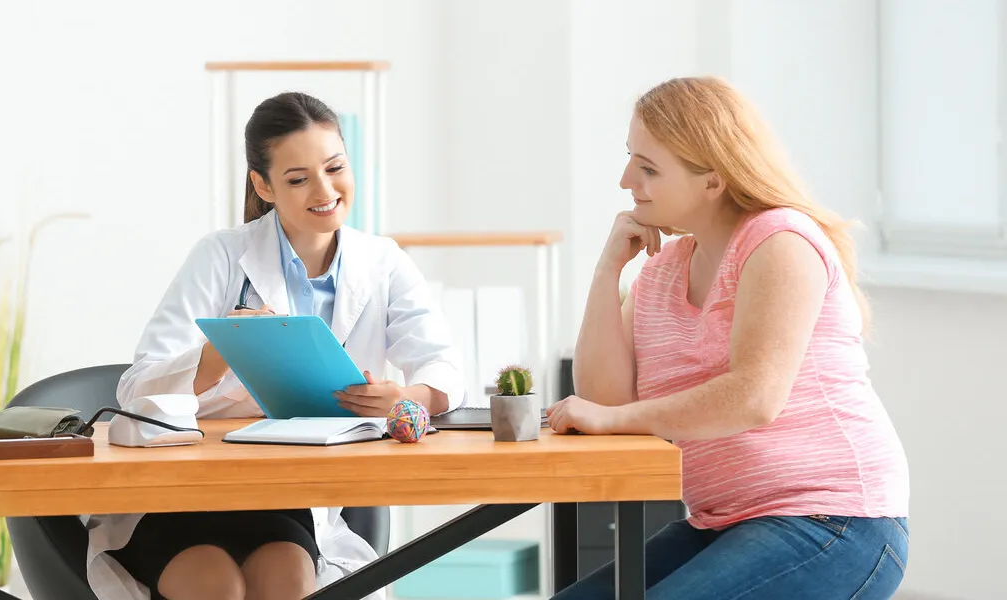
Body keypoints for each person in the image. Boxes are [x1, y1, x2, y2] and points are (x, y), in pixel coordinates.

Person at [84, 91, 465, 600]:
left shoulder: (383, 262)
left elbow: (444, 366)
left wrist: (406, 397)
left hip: (286, 494)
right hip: (183, 488)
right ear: (263, 186)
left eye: (335, 168)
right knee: (217, 586)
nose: (325, 190)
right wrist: (223, 349)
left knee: (286, 581)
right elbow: (137, 388)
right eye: (298, 178)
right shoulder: (221, 256)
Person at [547, 76, 910, 599]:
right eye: (631, 159)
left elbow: (753, 397)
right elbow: (604, 403)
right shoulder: (663, 270)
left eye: (649, 168)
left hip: (835, 518)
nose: (626, 180)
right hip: (722, 522)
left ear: (712, 182)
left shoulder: (780, 240)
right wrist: (608, 271)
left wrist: (612, 418)